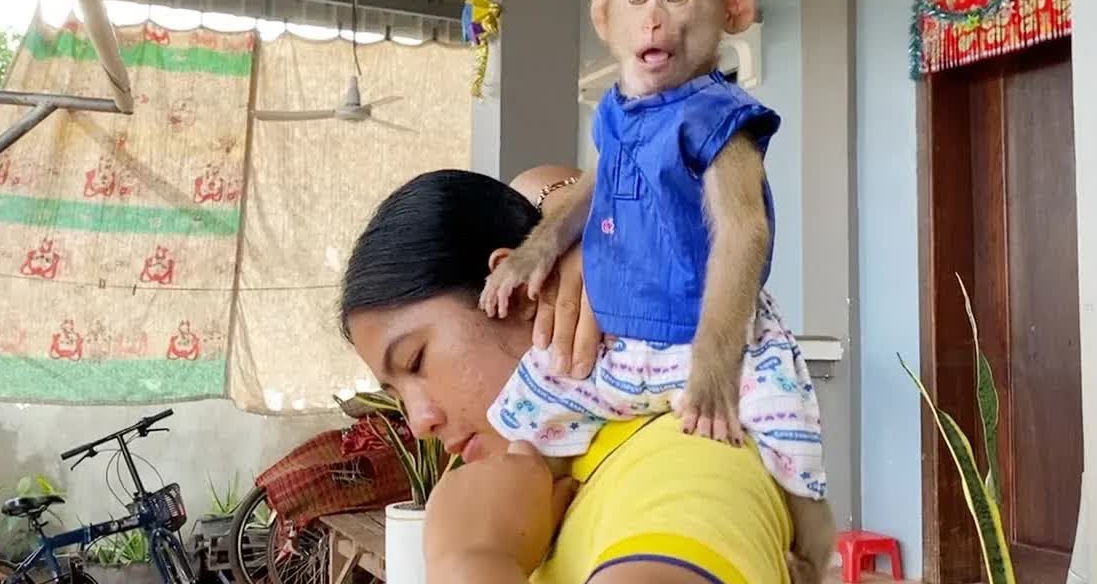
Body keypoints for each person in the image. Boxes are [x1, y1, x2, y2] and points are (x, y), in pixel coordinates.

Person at [340, 167, 797, 583]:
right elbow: (531, 181)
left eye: (417, 361)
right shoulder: (539, 487)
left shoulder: (688, 467)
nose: (419, 423)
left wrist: (471, 562)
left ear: (516, 294)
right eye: (397, 395)